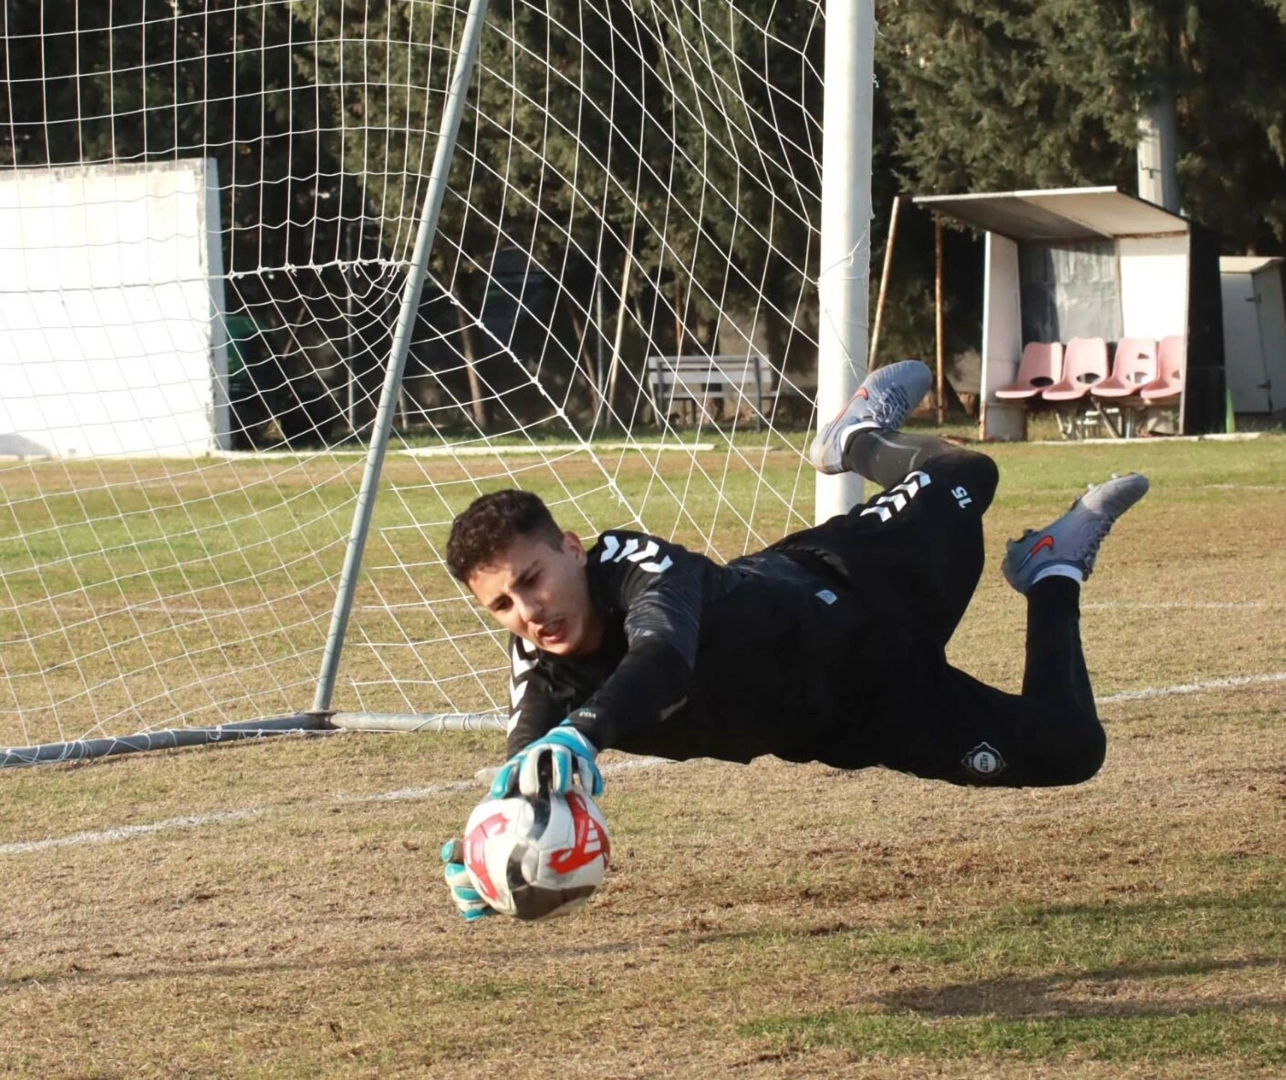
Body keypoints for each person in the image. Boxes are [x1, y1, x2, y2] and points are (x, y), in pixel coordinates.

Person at [440, 360, 1149, 920]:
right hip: (873, 712)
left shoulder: (634, 564)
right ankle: (1051, 569)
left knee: (967, 472)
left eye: (532, 579)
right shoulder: (543, 674)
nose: (528, 611)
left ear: (571, 548)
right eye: (501, 604)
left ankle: (856, 437)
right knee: (1071, 748)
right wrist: (491, 846)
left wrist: (583, 732)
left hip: (856, 577)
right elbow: (524, 767)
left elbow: (662, 655)